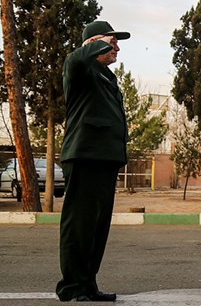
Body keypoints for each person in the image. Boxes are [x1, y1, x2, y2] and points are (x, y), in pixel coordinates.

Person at [56, 20, 130, 302]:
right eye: (112, 43)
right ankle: (72, 287)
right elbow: (76, 58)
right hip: (85, 155)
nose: (117, 48)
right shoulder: (80, 69)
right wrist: (93, 44)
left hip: (105, 159)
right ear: (94, 44)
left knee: (97, 228)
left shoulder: (105, 76)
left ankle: (88, 285)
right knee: (80, 225)